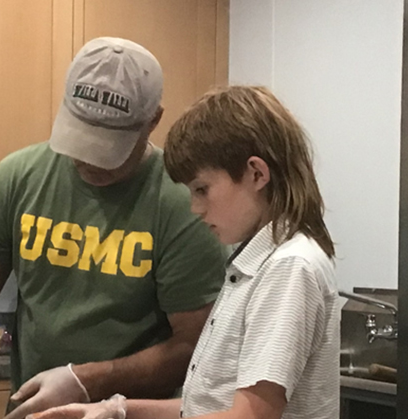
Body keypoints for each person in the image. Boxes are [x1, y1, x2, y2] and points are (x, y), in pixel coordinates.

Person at [0, 37, 227, 419]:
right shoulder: (21, 175)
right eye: (81, 137)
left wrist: (86, 380)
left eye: (108, 145)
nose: (88, 160)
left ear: (154, 120)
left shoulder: (182, 203)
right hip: (31, 408)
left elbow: (194, 345)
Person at [31, 85, 340, 419]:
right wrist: (116, 410)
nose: (195, 208)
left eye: (202, 190)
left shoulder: (289, 267)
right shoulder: (256, 265)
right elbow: (204, 407)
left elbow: (250, 417)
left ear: (256, 173)